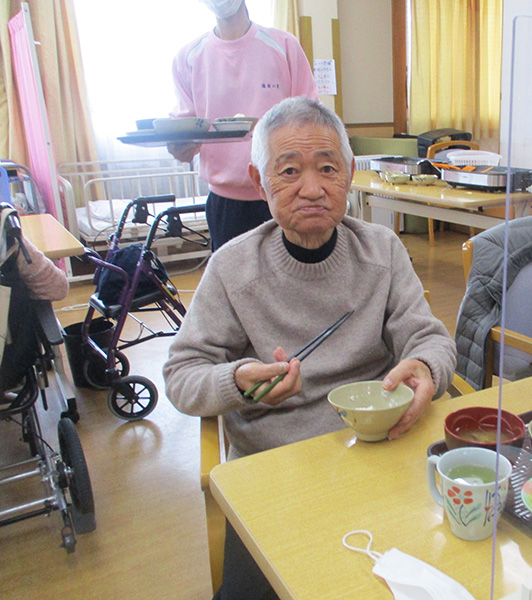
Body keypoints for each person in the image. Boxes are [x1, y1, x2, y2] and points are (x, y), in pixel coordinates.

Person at [163, 96, 456, 599]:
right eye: (289, 171)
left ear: (349, 174)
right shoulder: (233, 268)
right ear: (260, 183)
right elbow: (181, 374)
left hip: (380, 456)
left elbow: (429, 337)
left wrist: (427, 366)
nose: (313, 188)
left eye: (327, 168)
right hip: (278, 473)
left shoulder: (382, 250)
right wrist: (236, 383)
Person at [168, 0, 318, 251]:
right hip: (225, 202)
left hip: (284, 193)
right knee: (231, 275)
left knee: (292, 273)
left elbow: (309, 118)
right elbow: (184, 133)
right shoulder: (187, 57)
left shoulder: (283, 45)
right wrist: (180, 148)